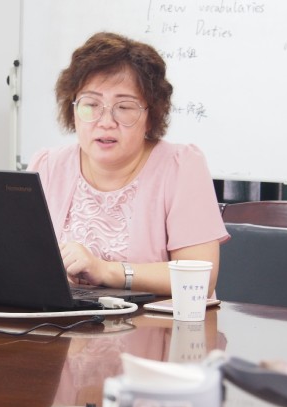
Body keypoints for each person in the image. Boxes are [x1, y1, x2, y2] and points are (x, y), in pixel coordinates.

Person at [28, 32, 228, 297]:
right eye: (91, 104)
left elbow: (200, 277)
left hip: (153, 322)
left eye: (124, 107)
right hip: (63, 320)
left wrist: (105, 271)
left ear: (151, 115)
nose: (105, 122)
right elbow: (18, 259)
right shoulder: (47, 167)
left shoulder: (180, 167)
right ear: (72, 109)